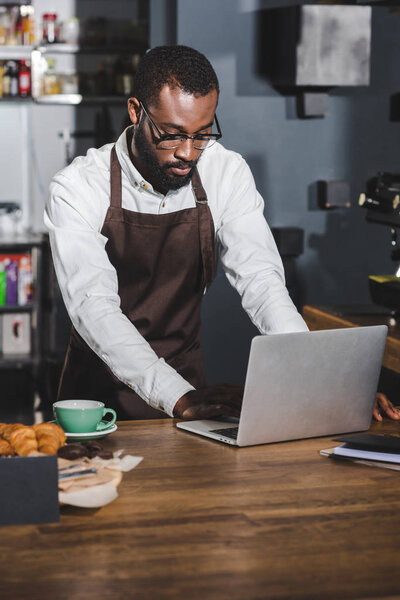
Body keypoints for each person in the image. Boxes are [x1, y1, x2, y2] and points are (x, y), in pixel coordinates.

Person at [45, 45, 399, 422]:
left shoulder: (225, 173)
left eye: (202, 134)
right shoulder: (78, 188)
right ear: (136, 112)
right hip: (97, 404)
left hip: (189, 391)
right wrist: (176, 396)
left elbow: (262, 283)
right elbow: (94, 308)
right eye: (173, 134)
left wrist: (324, 384)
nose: (188, 152)